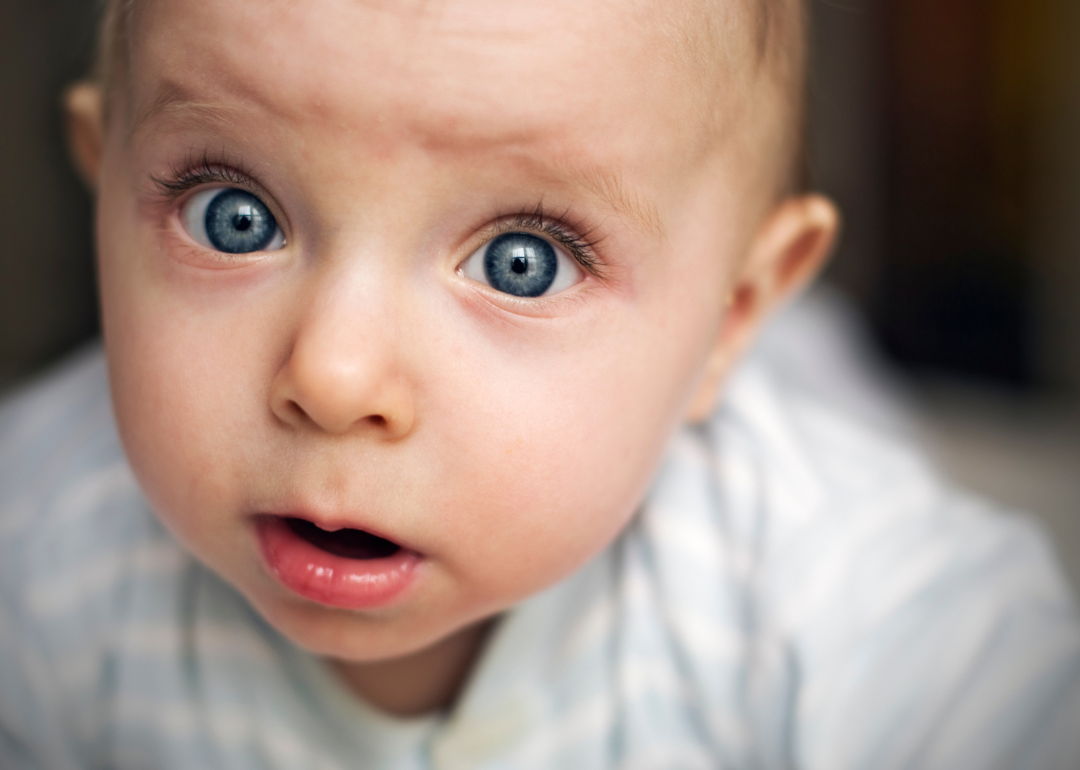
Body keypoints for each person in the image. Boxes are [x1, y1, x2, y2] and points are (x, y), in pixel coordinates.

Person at [1, 0, 1077, 766]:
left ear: (731, 315)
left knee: (827, 397)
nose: (333, 375)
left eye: (527, 258)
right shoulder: (39, 555)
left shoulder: (832, 591)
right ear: (107, 188)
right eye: (233, 216)